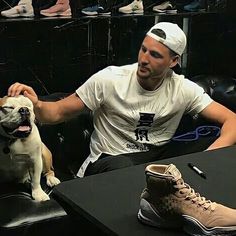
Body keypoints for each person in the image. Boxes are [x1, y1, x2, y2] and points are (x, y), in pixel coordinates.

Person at [8, 22, 236, 177]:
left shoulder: (183, 88)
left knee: (213, 146)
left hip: (156, 160)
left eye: (155, 55)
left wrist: (208, 158)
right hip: (110, 160)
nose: (144, 59)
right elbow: (57, 112)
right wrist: (36, 105)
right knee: (126, 169)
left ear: (173, 61)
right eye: (143, 49)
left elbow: (232, 120)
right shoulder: (110, 79)